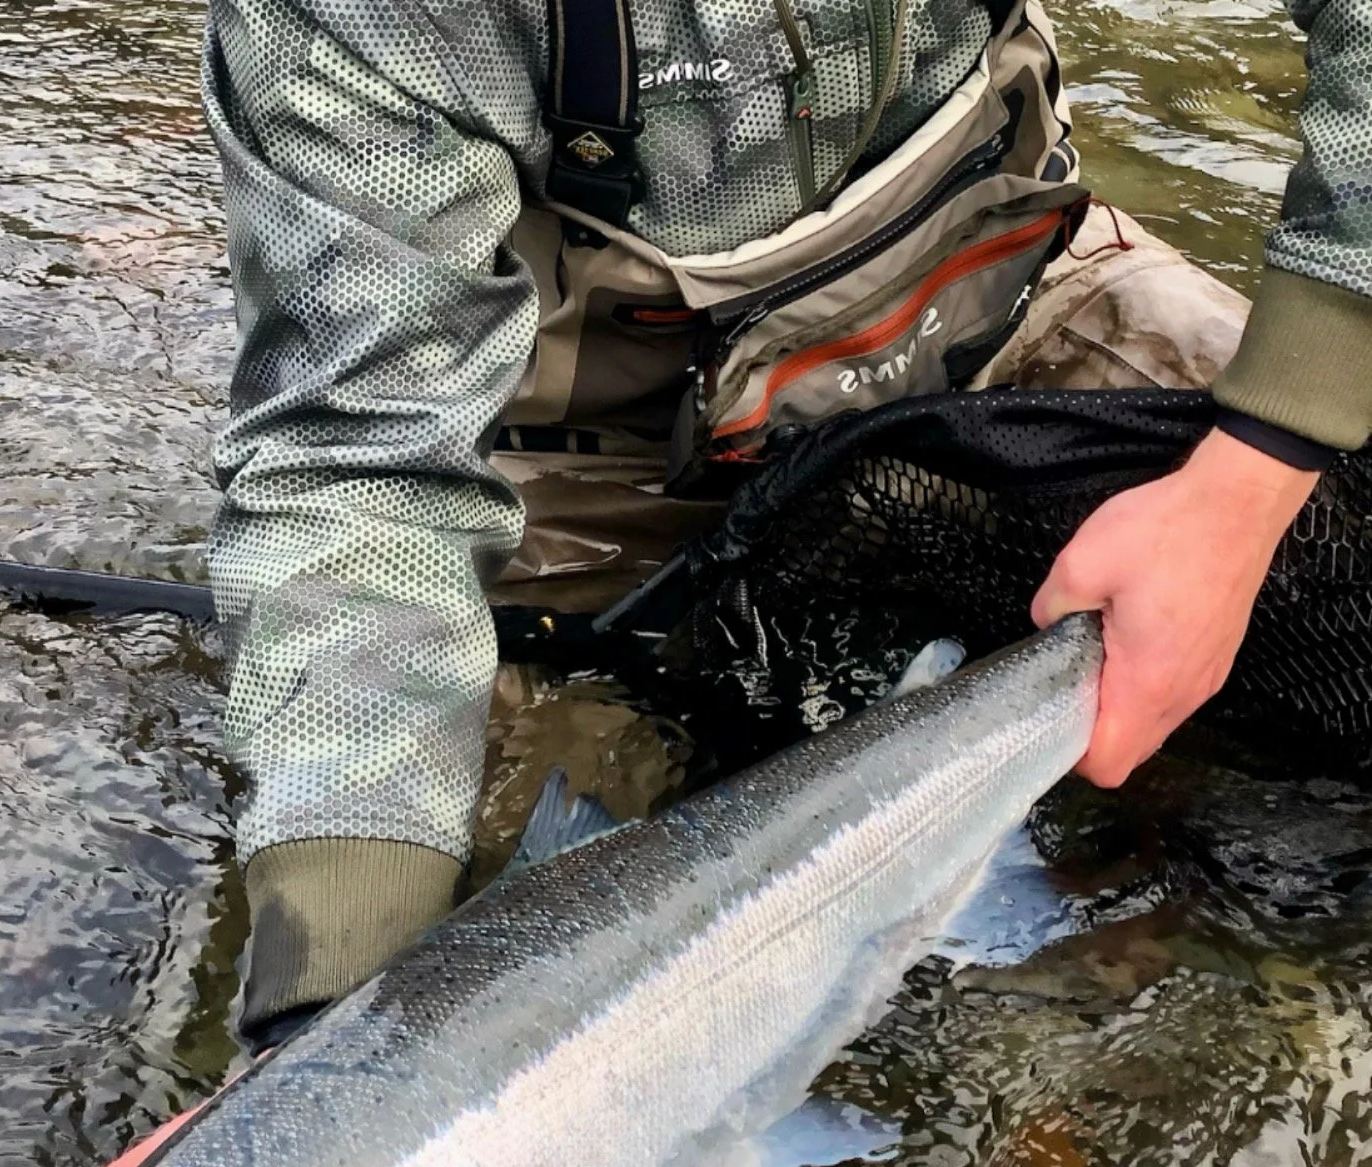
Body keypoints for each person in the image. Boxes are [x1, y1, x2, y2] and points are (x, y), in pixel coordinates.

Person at [200, 0, 1372, 1047]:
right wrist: (329, 1031)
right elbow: (361, 467)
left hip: (1009, 308)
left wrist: (1256, 469)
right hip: (611, 472)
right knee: (499, 982)